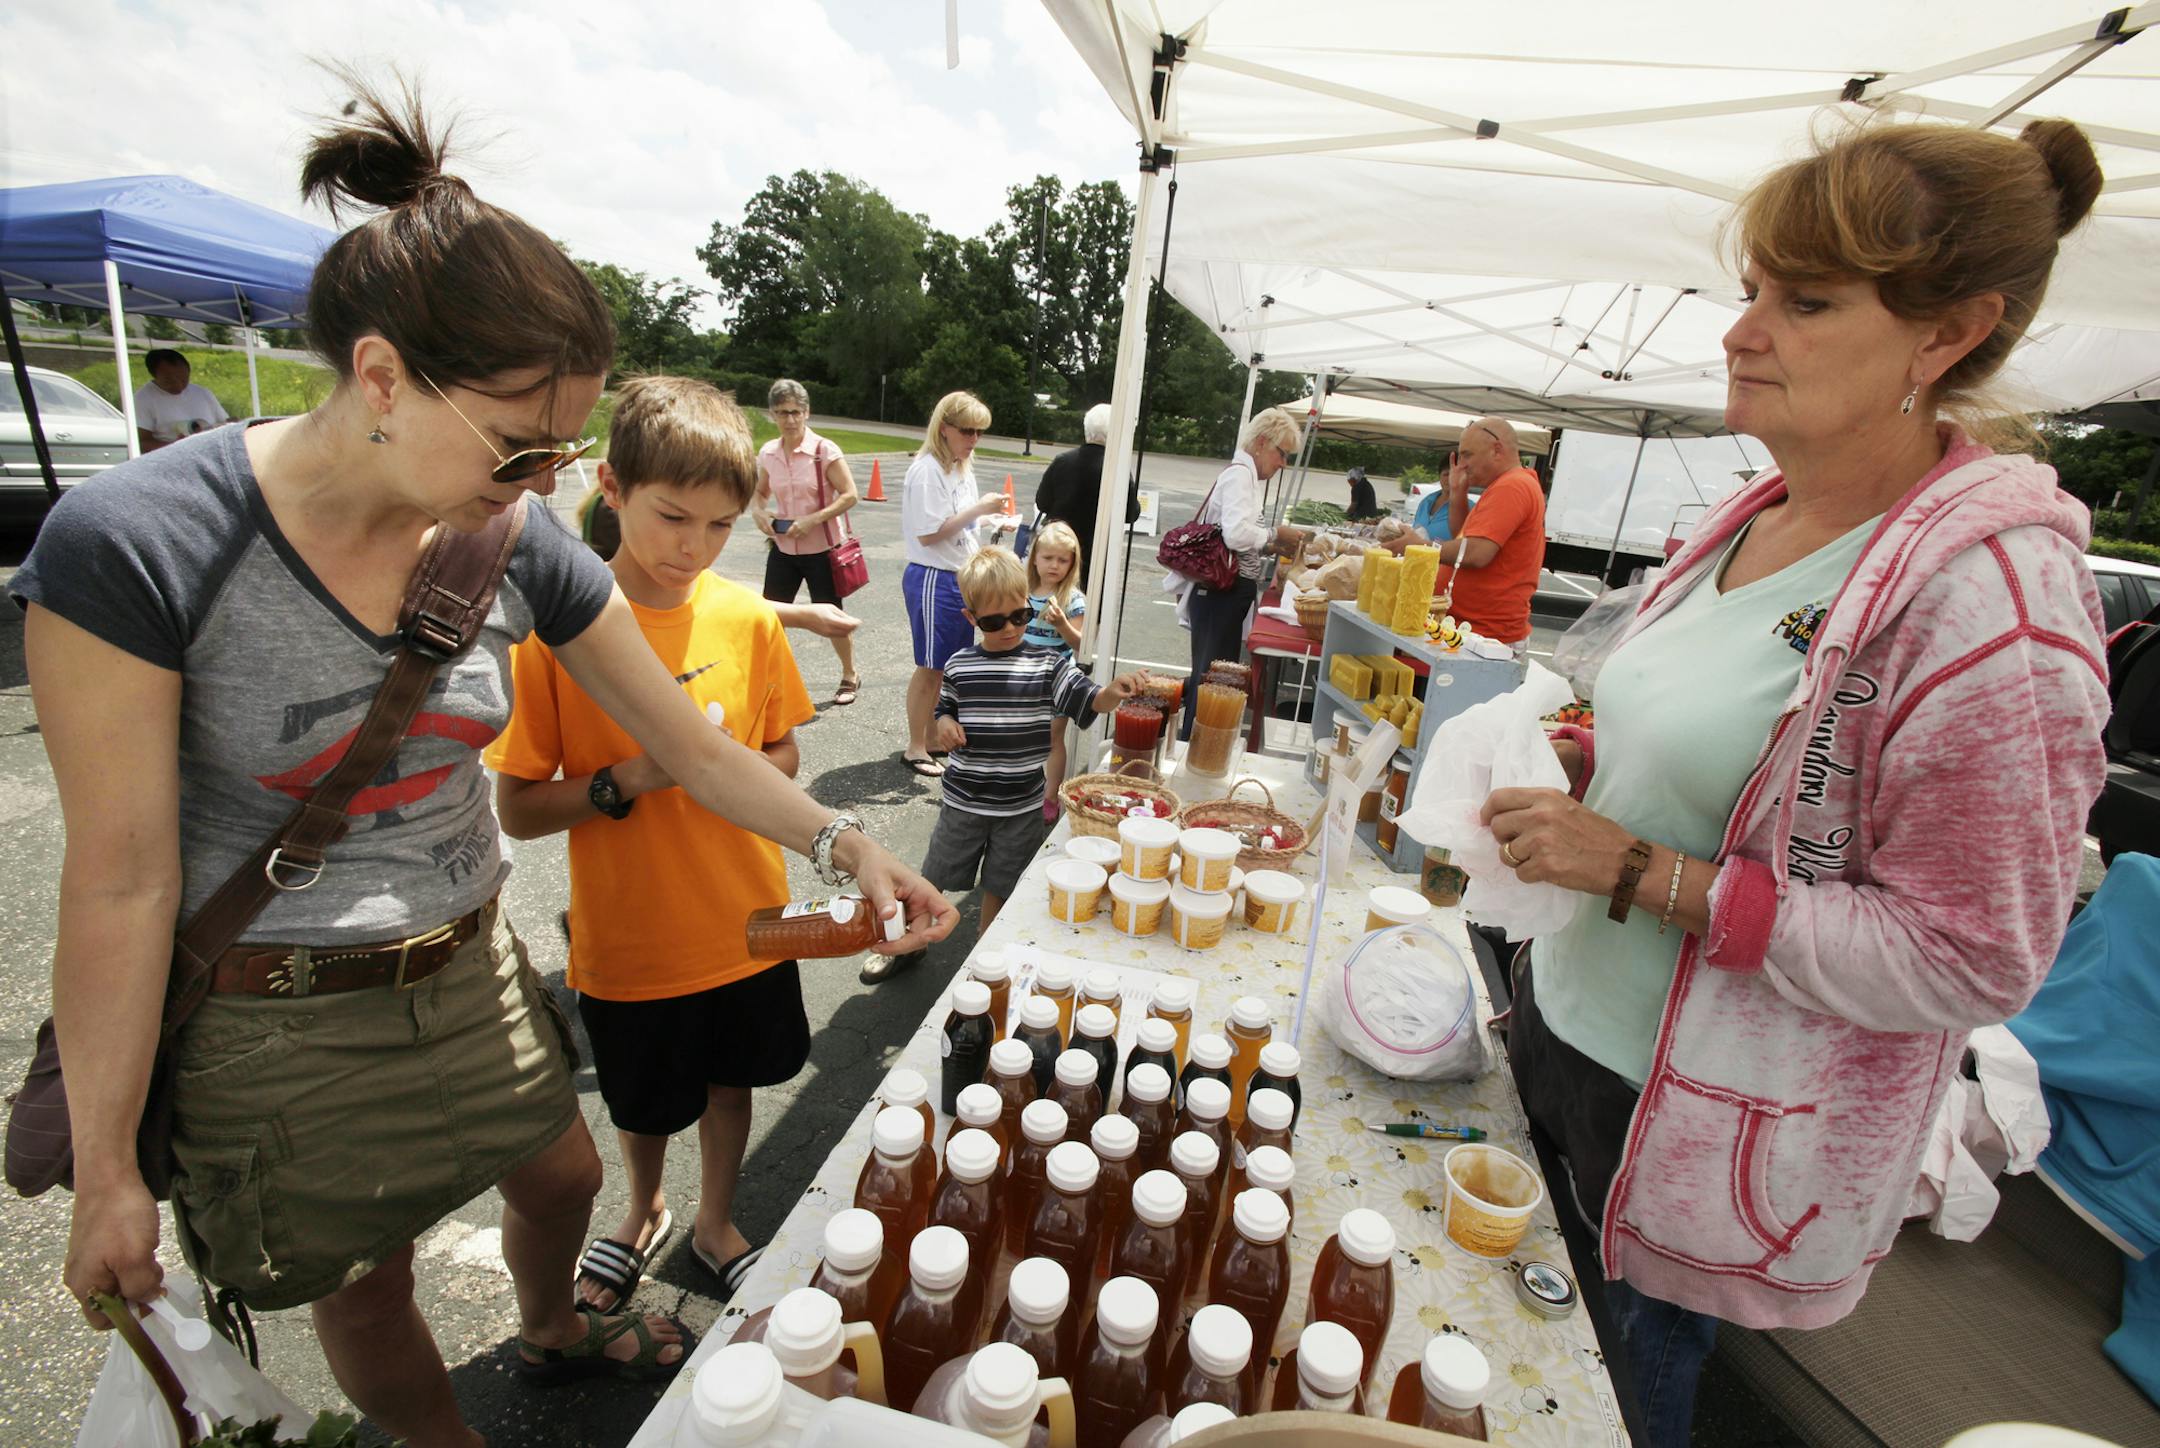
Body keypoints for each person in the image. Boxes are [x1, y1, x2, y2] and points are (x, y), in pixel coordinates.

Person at [20, 78, 954, 1448]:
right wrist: (109, 1171)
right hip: (279, 1001)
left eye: (565, 447)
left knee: (566, 1169)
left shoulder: (504, 532)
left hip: (466, 962)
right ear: (384, 377)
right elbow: (115, 883)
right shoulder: (135, 545)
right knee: (369, 1272)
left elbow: (693, 742)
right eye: (522, 445)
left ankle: (551, 1326)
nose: (544, 479)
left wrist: (844, 841)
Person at [1481, 117, 2111, 1447]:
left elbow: (1970, 958)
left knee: (1598, 1406)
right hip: (1559, 1029)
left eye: (1805, 302)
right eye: (1753, 290)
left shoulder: (1996, 603)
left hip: (1690, 1128)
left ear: (1946, 335)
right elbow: (1733, 767)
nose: (1742, 330)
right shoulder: (1756, 515)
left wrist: (1645, 873)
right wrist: (1593, 762)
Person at [487, 377, 814, 1314]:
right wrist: (629, 779)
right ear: (612, 485)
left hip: (750, 918)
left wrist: (734, 766)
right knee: (642, 1102)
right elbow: (518, 808)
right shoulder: (557, 636)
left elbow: (786, 746)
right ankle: (642, 1210)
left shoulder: (749, 618)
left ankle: (715, 1220)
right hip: (630, 933)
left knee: (731, 1083)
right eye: (674, 517)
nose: (694, 548)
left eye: (720, 528)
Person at [864, 548, 1143, 983]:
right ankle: (909, 941)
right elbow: (944, 711)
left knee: (1001, 884)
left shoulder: (1050, 663)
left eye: (1019, 616)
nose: (1010, 628)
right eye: (994, 622)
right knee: (934, 876)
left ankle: (985, 953)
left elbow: (1089, 698)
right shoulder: (960, 664)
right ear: (971, 618)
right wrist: (945, 723)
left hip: (1021, 807)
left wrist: (1113, 692)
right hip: (965, 802)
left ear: (1029, 608)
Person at [1167, 406, 1309, 738]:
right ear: (1261, 442)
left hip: (1222, 591)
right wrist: (1274, 536)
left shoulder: (1243, 475)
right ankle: (1192, 747)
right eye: (1281, 453)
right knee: (1212, 680)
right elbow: (1235, 535)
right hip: (1221, 592)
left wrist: (1270, 541)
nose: (1282, 463)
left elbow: (1238, 532)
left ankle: (1193, 743)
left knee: (1212, 676)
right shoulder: (1240, 476)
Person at [901, 391, 1006, 778]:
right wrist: (979, 510)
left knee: (946, 666)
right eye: (967, 431)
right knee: (930, 666)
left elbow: (959, 524)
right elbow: (929, 533)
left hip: (955, 574)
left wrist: (991, 522)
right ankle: (915, 746)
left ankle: (929, 738)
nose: (974, 439)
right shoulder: (928, 469)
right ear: (944, 428)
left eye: (979, 432)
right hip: (933, 575)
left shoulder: (960, 466)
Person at [752, 379, 863, 706]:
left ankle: (850, 674)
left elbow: (851, 494)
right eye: (782, 413)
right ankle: (770, 680)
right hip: (784, 549)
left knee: (833, 619)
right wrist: (758, 512)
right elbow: (760, 492)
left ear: (807, 412)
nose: (790, 420)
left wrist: (813, 519)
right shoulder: (769, 453)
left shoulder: (823, 451)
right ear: (772, 414)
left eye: (796, 412)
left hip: (821, 551)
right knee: (771, 617)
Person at [1401, 418, 1544, 644]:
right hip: (1474, 630)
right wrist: (1459, 493)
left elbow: (1476, 553)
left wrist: (1420, 547)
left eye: (1467, 455)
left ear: (1497, 450)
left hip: (1485, 635)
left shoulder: (1512, 486)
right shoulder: (1506, 484)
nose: (1462, 464)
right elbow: (1465, 537)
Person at [1034, 402, 1134, 590]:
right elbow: (1131, 513)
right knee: (1089, 603)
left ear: (1086, 429)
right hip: (1097, 548)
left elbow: (1042, 502)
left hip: (1060, 545)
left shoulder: (1063, 461)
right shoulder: (1118, 469)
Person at [1023, 520, 1086, 816]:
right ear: (1034, 557)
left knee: (1052, 738)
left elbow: (1080, 645)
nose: (1054, 565)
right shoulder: (1021, 590)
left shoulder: (1072, 599)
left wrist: (1061, 624)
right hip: (1022, 675)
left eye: (1062, 560)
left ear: (1072, 563)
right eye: (1048, 558)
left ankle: (1050, 796)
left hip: (1055, 680)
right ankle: (1020, 785)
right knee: (1018, 731)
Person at [131, 348, 230, 452]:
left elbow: (224, 422)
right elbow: (141, 443)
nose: (178, 386)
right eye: (168, 381)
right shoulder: (142, 399)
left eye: (183, 379)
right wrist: (177, 447)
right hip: (172, 458)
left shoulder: (203, 393)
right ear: (154, 375)